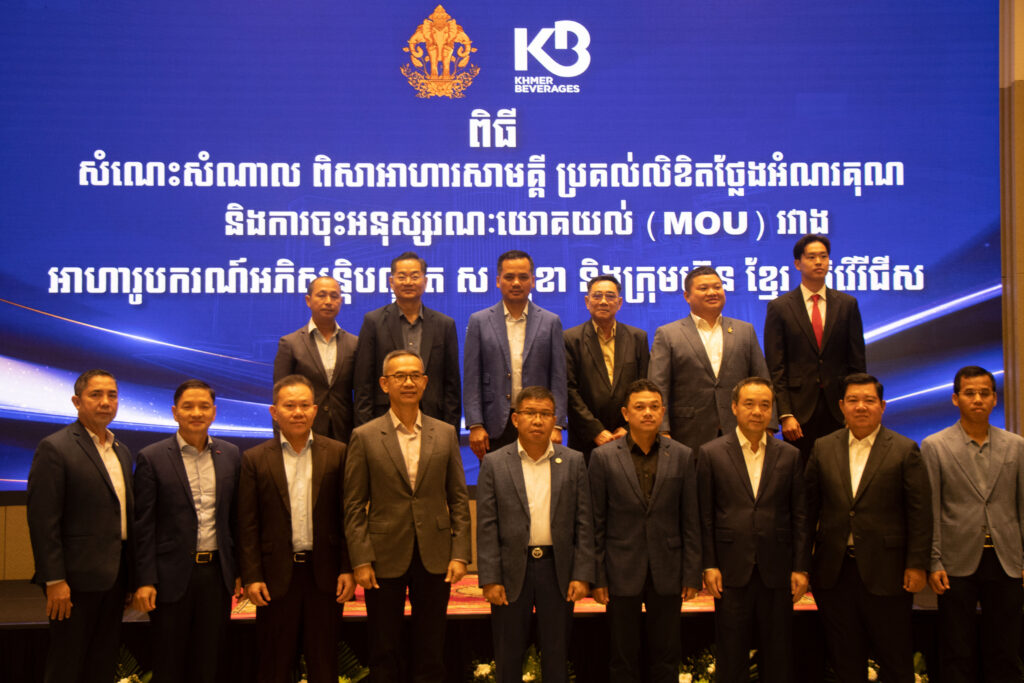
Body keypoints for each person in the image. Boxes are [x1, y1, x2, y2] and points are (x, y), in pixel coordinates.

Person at [344, 350, 471, 682]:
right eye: (399, 376)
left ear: (425, 382)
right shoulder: (365, 436)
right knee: (384, 649)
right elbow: (354, 505)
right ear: (384, 384)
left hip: (435, 554)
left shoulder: (445, 433)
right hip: (382, 556)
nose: (408, 382)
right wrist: (360, 559)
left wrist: (460, 553)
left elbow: (458, 499)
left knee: (431, 649)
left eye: (415, 375)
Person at [804, 373, 931, 683]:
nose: (861, 406)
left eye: (869, 400)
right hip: (834, 573)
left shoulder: (904, 449)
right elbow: (807, 512)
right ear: (841, 406)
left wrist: (917, 564)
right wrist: (801, 566)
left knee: (895, 659)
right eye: (853, 400)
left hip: (888, 572)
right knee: (845, 661)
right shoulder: (823, 447)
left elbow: (919, 513)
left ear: (882, 406)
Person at [238, 375, 355, 683]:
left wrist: (348, 567)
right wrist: (251, 576)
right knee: (274, 666)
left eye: (305, 405)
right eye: (289, 406)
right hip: (275, 578)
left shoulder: (338, 453)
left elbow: (348, 516)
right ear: (274, 412)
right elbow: (247, 524)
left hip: (325, 575)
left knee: (324, 665)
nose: (298, 412)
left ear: (315, 410)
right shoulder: (254, 459)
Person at [476, 386, 594, 683]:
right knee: (508, 657)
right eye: (530, 413)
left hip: (557, 570)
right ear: (516, 419)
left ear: (555, 420)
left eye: (545, 414)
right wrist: (490, 578)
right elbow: (487, 525)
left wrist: (582, 574)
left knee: (556, 656)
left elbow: (584, 522)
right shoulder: (495, 462)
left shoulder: (573, 461)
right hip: (510, 572)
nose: (538, 420)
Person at [697, 377, 809, 683]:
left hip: (778, 569)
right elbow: (704, 516)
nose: (757, 411)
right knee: (731, 655)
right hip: (730, 569)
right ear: (734, 407)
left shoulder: (790, 455)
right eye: (749, 404)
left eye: (764, 405)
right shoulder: (711, 453)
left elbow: (800, 516)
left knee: (778, 655)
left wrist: (801, 567)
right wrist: (709, 564)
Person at [589, 379, 701, 683]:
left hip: (668, 569)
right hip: (620, 569)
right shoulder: (602, 458)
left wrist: (692, 573)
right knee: (622, 657)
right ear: (626, 413)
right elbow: (596, 522)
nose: (648, 412)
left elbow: (691, 519)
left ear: (663, 411)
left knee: (667, 657)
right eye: (640, 407)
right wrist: (598, 576)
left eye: (654, 407)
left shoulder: (682, 455)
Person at [26, 369, 133, 683]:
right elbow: (43, 520)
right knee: (66, 665)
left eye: (112, 395)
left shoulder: (121, 450)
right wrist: (54, 579)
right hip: (73, 583)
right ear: (77, 401)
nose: (105, 402)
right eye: (95, 395)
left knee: (103, 664)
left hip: (115, 579)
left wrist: (131, 577)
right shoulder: (55, 447)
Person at [132, 379, 242, 683]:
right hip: (170, 577)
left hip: (216, 576)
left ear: (214, 412)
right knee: (169, 663)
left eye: (204, 406)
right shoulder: (152, 457)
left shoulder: (231, 454)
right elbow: (144, 525)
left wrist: (240, 571)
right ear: (175, 412)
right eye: (188, 406)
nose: (196, 413)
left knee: (209, 662)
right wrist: (145, 580)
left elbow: (236, 519)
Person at [921, 366, 1024, 683]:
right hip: (955, 561)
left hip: (1006, 560)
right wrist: (933, 561)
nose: (977, 399)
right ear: (956, 399)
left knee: (1006, 650)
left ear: (995, 399)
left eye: (984, 393)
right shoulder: (934, 446)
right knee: (957, 650)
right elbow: (930, 509)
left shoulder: (1016, 445)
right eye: (969, 393)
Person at [763, 235, 866, 463]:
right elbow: (775, 366)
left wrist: (853, 407)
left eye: (823, 256)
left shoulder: (847, 305)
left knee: (837, 470)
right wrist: (785, 414)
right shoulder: (780, 307)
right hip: (798, 412)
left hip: (838, 408)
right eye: (811, 257)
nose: (819, 262)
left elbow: (857, 363)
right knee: (800, 473)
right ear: (797, 264)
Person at [649, 266, 773, 452]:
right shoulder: (668, 334)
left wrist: (769, 425)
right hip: (687, 434)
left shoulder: (744, 330)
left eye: (717, 287)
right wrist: (662, 429)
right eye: (703, 288)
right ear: (687, 296)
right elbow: (658, 385)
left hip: (740, 430)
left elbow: (761, 380)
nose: (712, 292)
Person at [464, 250, 568, 458]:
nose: (516, 283)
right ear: (498, 281)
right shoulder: (479, 321)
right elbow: (471, 378)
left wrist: (557, 424)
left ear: (533, 281)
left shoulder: (550, 322)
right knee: (496, 477)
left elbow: (558, 378)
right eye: (509, 277)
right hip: (494, 423)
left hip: (538, 421)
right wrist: (475, 424)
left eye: (523, 277)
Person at [353, 252, 461, 429]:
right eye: (402, 277)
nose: (408, 282)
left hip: (433, 419)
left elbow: (452, 386)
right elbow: (363, 383)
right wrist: (364, 429)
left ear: (425, 281)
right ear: (391, 282)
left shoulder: (444, 324)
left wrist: (451, 431)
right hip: (383, 419)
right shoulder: (373, 322)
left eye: (415, 276)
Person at [564, 274, 649, 462]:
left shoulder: (638, 338)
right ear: (587, 301)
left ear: (619, 303)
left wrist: (629, 428)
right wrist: (595, 431)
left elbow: (644, 387)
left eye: (610, 296)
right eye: (597, 296)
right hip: (585, 440)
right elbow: (569, 391)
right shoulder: (570, 339)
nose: (603, 301)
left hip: (628, 437)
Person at [274, 275, 358, 443]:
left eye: (334, 296)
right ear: (308, 300)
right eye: (321, 295)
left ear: (341, 301)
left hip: (345, 432)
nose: (328, 301)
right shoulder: (290, 343)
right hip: (303, 431)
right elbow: (279, 397)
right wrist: (279, 440)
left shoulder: (354, 344)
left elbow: (362, 393)